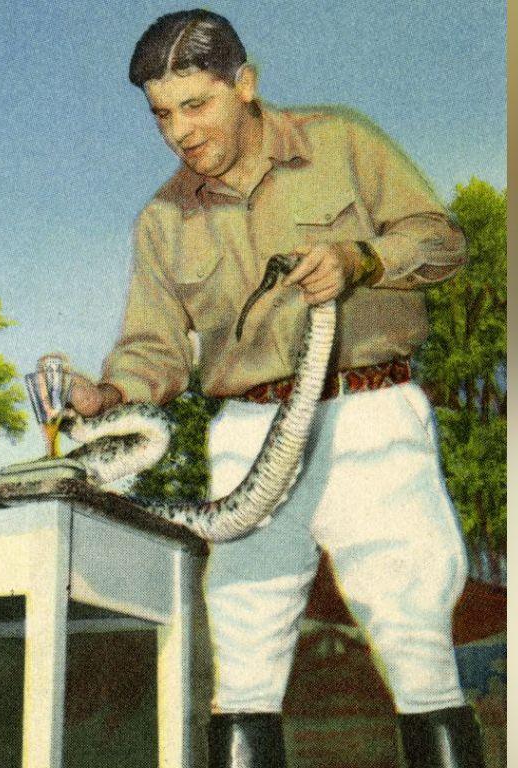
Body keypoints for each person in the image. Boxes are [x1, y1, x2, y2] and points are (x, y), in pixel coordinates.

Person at [70, 9, 485, 768]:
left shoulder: (343, 140)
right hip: (246, 433)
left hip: (372, 416)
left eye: (197, 105)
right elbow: (152, 348)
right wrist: (105, 398)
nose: (181, 132)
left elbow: (443, 241)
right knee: (245, 652)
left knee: (416, 639)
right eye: (162, 115)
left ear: (246, 85)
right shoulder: (162, 220)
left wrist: (363, 261)